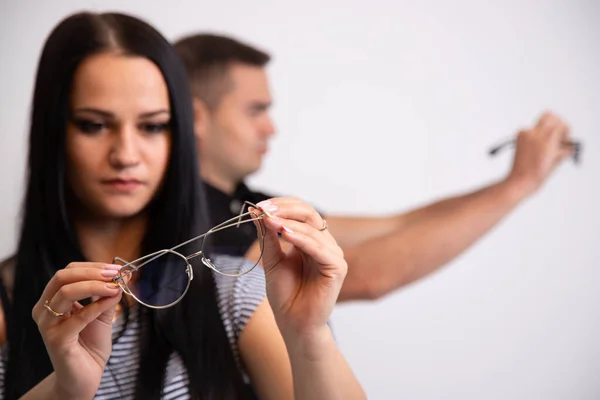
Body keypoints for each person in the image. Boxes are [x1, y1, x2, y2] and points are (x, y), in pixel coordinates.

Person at [0, 12, 365, 400]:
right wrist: (65, 390)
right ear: (53, 132)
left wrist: (309, 337)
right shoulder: (9, 310)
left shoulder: (234, 294)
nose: (126, 155)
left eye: (152, 126)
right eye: (94, 125)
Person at [173, 34, 575, 302]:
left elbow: (396, 225)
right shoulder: (192, 220)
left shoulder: (248, 205)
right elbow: (367, 276)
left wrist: (514, 181)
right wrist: (520, 184)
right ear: (197, 117)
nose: (271, 127)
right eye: (255, 110)